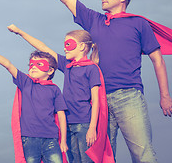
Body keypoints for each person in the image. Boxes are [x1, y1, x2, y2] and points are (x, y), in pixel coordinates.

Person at [30, 0, 172, 162]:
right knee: (101, 157)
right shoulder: (94, 20)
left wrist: (165, 96)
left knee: (143, 154)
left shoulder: (138, 23)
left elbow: (157, 60)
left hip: (129, 96)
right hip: (98, 101)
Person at [8, 24, 114, 163]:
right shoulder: (66, 65)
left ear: (82, 46)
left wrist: (93, 127)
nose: (64, 48)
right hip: (69, 124)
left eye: (68, 44)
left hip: (85, 123)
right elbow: (44, 48)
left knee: (88, 160)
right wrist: (20, 32)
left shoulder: (91, 69)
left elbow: (96, 100)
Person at [0, 41, 68, 163]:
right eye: (31, 64)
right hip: (29, 139)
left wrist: (63, 140)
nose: (34, 67)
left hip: (51, 138)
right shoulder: (25, 82)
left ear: (50, 70)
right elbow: (8, 65)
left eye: (39, 64)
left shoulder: (55, 89)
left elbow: (61, 115)